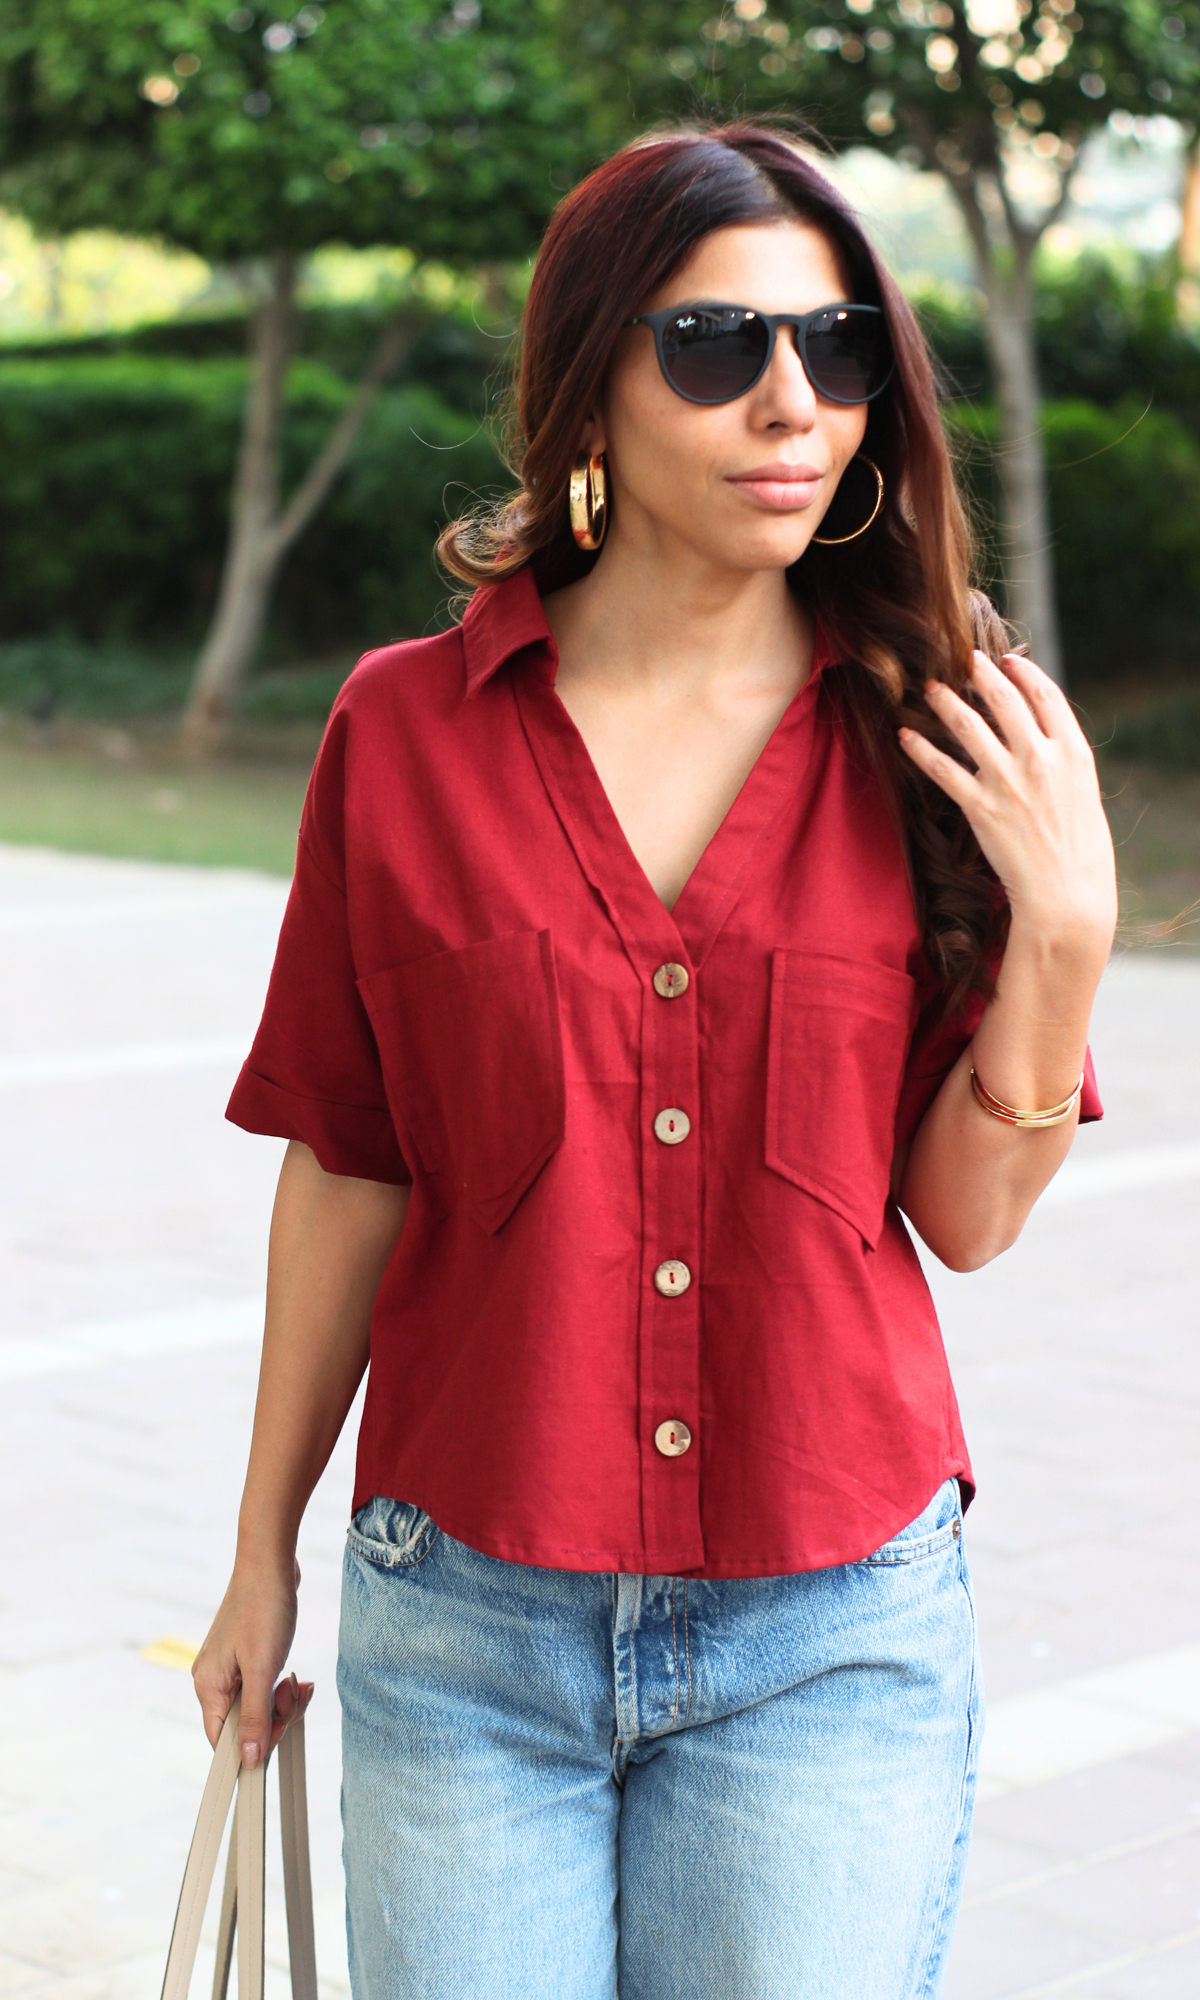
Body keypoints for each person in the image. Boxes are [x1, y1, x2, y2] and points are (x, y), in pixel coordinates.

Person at [192, 125, 1115, 1998]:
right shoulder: (405, 734)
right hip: (465, 1628)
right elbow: (352, 1161)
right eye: (716, 347)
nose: (794, 401)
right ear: (593, 385)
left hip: (832, 1630)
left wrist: (1069, 939)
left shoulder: (946, 726)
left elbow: (965, 1218)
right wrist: (260, 1549)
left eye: (839, 345)